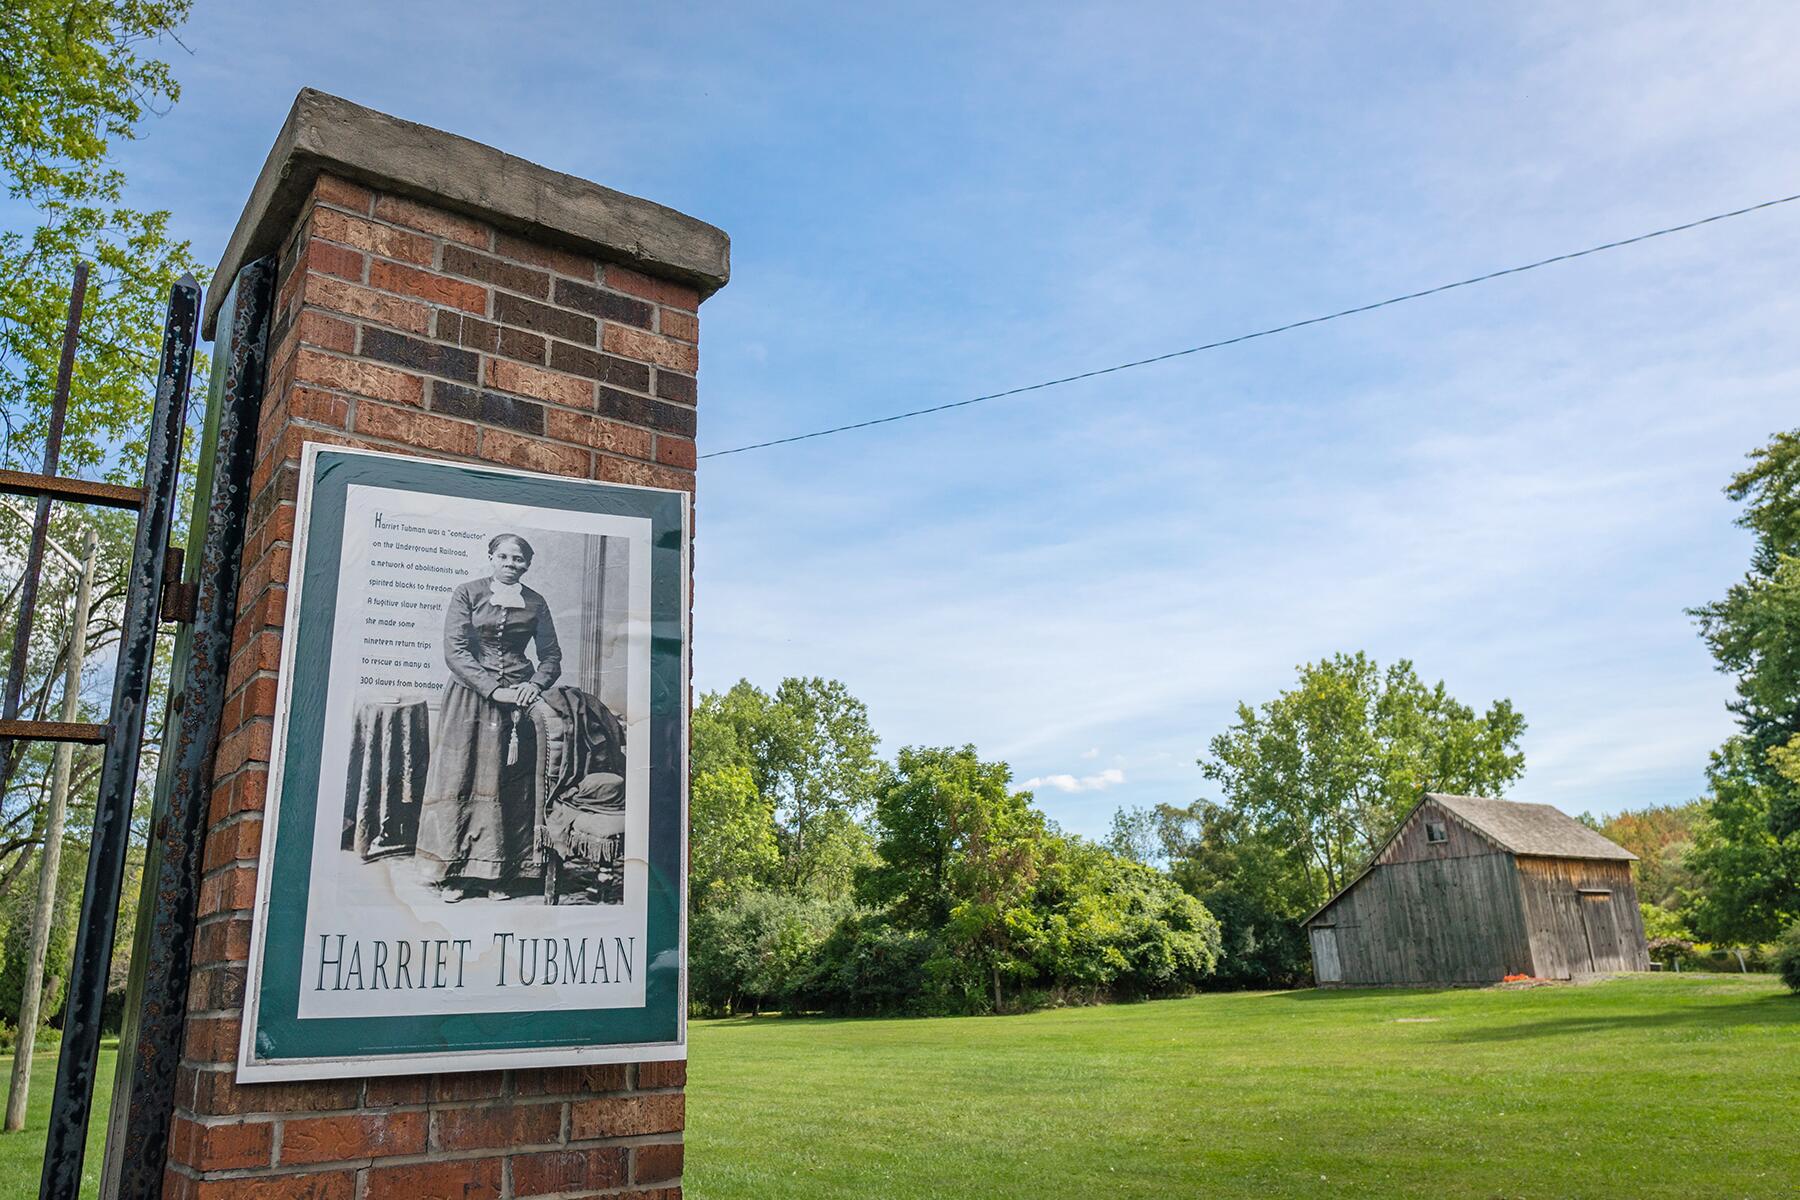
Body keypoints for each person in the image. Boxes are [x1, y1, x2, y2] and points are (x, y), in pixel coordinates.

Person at [416, 533, 562, 900]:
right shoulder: (468, 593)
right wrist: (491, 688)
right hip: (469, 697)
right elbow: (456, 650)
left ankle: (501, 874)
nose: (511, 564)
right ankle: (454, 874)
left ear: (527, 564)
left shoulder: (536, 603)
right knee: (460, 778)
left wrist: (534, 685)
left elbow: (551, 657)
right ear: (492, 558)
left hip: (517, 703)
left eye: (518, 560)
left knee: (508, 782)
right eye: (504, 557)